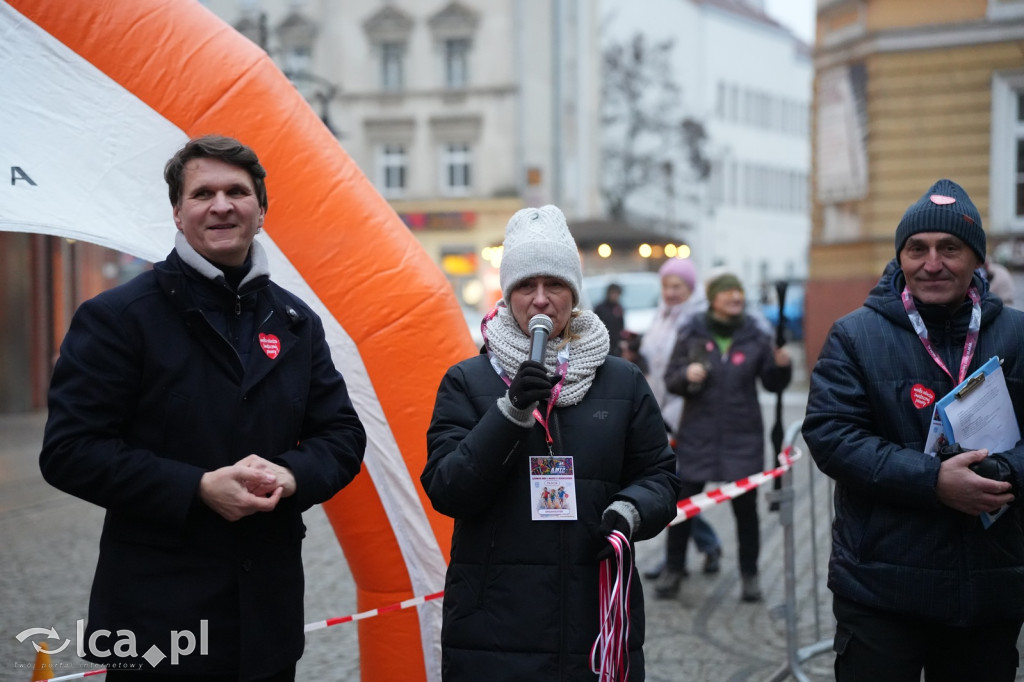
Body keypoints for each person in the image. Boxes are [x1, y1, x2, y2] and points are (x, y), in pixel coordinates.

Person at [39, 135, 367, 681]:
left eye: (237, 192)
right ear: (177, 210)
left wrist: (290, 475)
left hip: (267, 617)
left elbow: (342, 436)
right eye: (203, 192)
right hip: (154, 618)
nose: (221, 205)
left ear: (261, 211)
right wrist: (195, 488)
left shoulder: (295, 321)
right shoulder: (118, 317)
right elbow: (69, 452)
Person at [421, 205, 680, 680]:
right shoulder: (466, 381)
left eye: (554, 285)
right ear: (509, 294)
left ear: (574, 294)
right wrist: (510, 413)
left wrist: (629, 512)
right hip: (493, 629)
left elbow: (660, 476)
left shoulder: (621, 381)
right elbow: (447, 488)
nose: (540, 300)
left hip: (594, 620)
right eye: (526, 286)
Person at [803, 178, 1024, 681]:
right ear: (899, 257)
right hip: (880, 586)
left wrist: (999, 471)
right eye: (916, 249)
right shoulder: (855, 334)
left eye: (950, 248)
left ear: (977, 259)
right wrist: (933, 481)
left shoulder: (1017, 333)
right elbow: (832, 436)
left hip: (987, 584)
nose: (931, 263)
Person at [656, 272, 791, 602]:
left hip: (742, 435)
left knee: (745, 510)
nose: (736, 297)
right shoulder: (692, 332)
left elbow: (773, 384)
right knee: (683, 505)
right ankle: (673, 568)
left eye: (739, 291)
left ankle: (750, 574)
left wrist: (781, 367)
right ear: (713, 297)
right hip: (697, 434)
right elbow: (671, 379)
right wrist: (686, 375)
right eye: (728, 291)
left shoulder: (756, 335)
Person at [639, 258, 723, 580]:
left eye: (678, 286)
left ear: (691, 288)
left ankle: (690, 552)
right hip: (657, 411)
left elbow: (697, 371)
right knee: (671, 489)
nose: (671, 292)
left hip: (684, 416)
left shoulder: (697, 321)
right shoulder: (660, 316)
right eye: (666, 286)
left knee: (675, 490)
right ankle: (697, 547)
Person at [594, 281, 625, 355]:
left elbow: (621, 326)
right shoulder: (600, 308)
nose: (615, 296)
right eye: (613, 293)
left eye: (617, 294)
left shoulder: (619, 308)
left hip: (616, 346)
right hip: (602, 343)